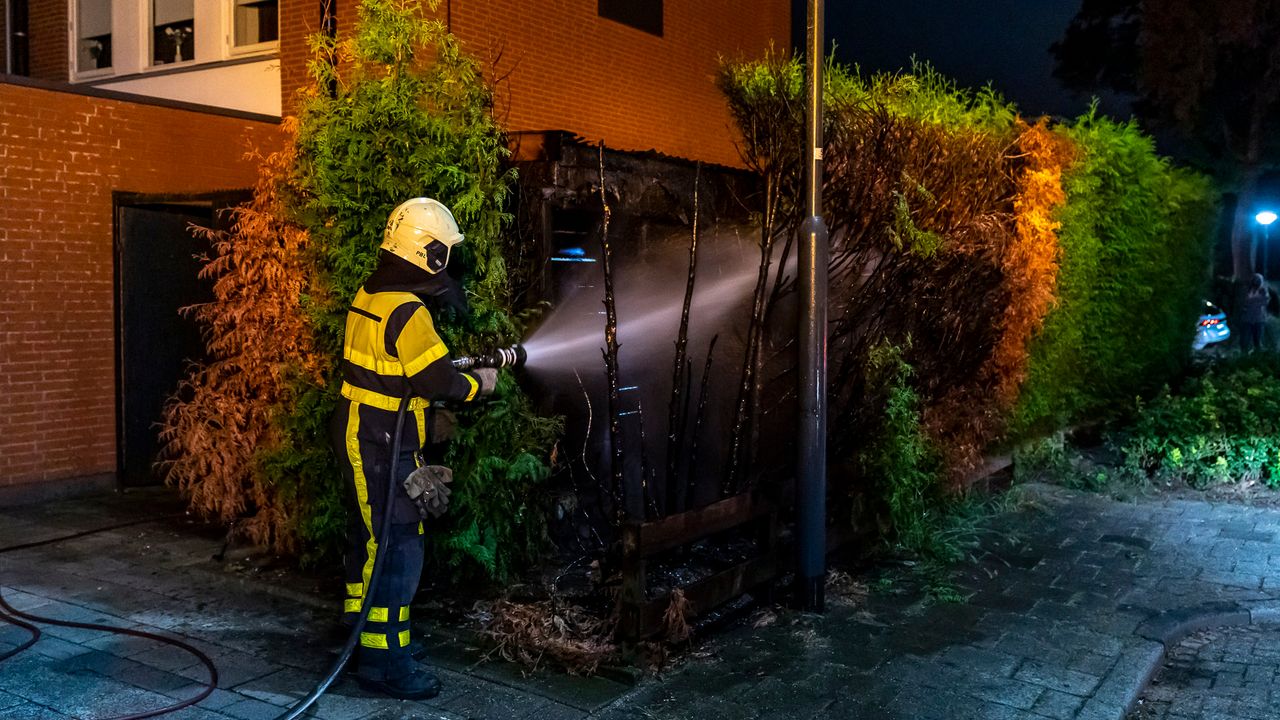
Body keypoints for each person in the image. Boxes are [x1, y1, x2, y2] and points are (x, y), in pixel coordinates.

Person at [329, 197, 498, 699]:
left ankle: (364, 643)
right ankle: (387, 666)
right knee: (398, 549)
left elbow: (396, 371)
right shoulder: (408, 309)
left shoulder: (374, 292)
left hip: (366, 432)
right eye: (445, 250)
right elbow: (436, 378)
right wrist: (478, 386)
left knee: (370, 542)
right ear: (429, 252)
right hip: (381, 441)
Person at [1242, 273, 1270, 352]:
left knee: (1257, 341)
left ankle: (1257, 358)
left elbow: (1265, 301)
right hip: (1247, 319)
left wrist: (1251, 300)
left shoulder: (1263, 291)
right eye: (1255, 280)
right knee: (1245, 342)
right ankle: (1244, 358)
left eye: (1258, 280)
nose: (1256, 282)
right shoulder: (1248, 290)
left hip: (1259, 319)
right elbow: (1244, 302)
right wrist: (1256, 300)